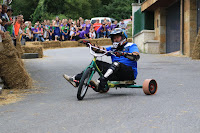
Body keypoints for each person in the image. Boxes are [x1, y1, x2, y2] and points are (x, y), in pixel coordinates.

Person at [63, 28, 140, 91]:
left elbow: (136, 56)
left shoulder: (131, 45)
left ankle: (100, 82)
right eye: (114, 38)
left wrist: (124, 54)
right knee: (97, 63)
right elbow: (101, 50)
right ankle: (76, 80)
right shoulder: (113, 48)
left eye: (117, 37)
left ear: (123, 37)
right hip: (115, 73)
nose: (115, 40)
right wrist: (90, 44)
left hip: (129, 73)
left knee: (116, 63)